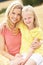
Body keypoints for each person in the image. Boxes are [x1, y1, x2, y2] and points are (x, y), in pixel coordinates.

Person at [0, 1, 24, 65]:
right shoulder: (2, 28)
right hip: (12, 59)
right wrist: (14, 59)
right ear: (9, 12)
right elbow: (1, 51)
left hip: (24, 56)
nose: (15, 17)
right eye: (13, 13)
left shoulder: (23, 26)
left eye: (18, 14)